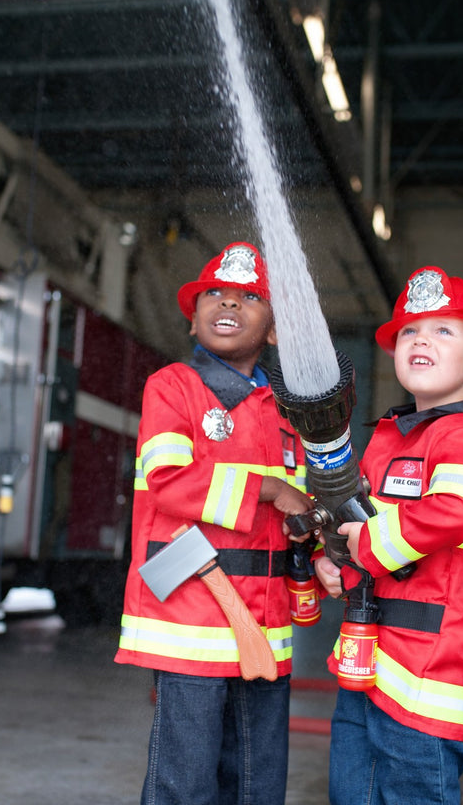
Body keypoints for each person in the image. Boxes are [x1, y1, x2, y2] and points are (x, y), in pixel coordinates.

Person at [313, 266, 463, 805]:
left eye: (443, 330)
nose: (421, 340)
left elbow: (456, 513)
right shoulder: (387, 437)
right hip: (366, 659)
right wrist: (333, 560)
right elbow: (355, 523)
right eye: (409, 331)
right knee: (351, 794)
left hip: (429, 671)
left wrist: (367, 546)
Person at [115, 241, 315, 805]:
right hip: (191, 617)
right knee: (188, 779)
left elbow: (299, 505)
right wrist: (271, 489)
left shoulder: (286, 410)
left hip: (266, 622)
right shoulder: (174, 387)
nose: (227, 304)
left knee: (256, 779)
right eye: (214, 295)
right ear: (192, 320)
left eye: (249, 298)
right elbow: (170, 482)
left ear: (274, 331)